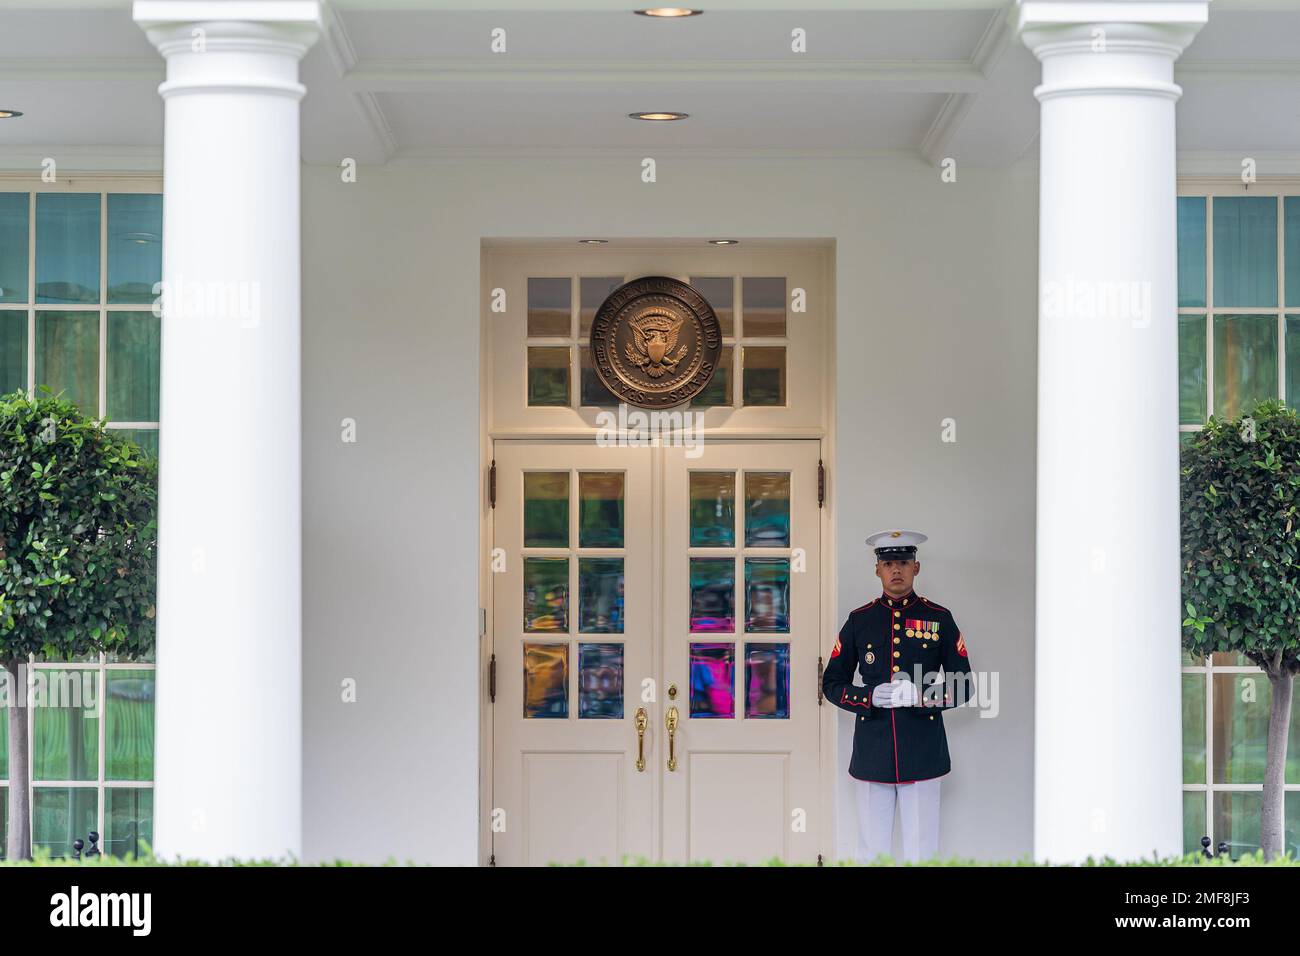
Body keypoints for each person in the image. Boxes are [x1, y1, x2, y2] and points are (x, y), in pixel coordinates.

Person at [822, 529, 973, 863]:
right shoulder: (860, 621)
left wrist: (920, 695)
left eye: (903, 562)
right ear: (877, 569)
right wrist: (868, 697)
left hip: (922, 750)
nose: (896, 570)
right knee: (872, 851)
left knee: (922, 849)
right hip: (873, 750)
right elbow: (831, 683)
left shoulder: (938, 618)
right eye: (888, 563)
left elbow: (964, 684)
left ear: (916, 567)